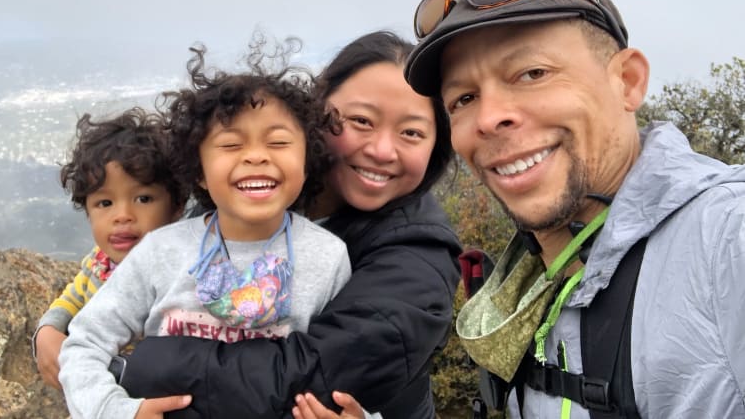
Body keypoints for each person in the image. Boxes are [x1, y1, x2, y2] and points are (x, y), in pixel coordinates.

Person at [403, 0, 745, 418]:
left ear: (627, 81)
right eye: (463, 99)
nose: (488, 119)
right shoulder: (531, 283)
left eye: (532, 73)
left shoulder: (725, 238)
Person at [115, 31, 463, 419]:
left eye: (412, 132)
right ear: (316, 112)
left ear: (436, 145)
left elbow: (309, 380)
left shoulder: (420, 254)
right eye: (361, 121)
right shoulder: (261, 192)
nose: (382, 150)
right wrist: (60, 320)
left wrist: (141, 367)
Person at [57, 44, 352, 419]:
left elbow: (348, 365)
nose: (256, 156)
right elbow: (84, 343)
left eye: (278, 142)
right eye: (231, 144)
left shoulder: (327, 257)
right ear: (198, 170)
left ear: (307, 162)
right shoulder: (163, 250)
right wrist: (117, 411)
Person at [33, 107, 187, 389]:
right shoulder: (100, 263)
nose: (122, 215)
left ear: (176, 206)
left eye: (143, 198)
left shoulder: (183, 272)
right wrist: (47, 330)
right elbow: (73, 297)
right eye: (105, 203)